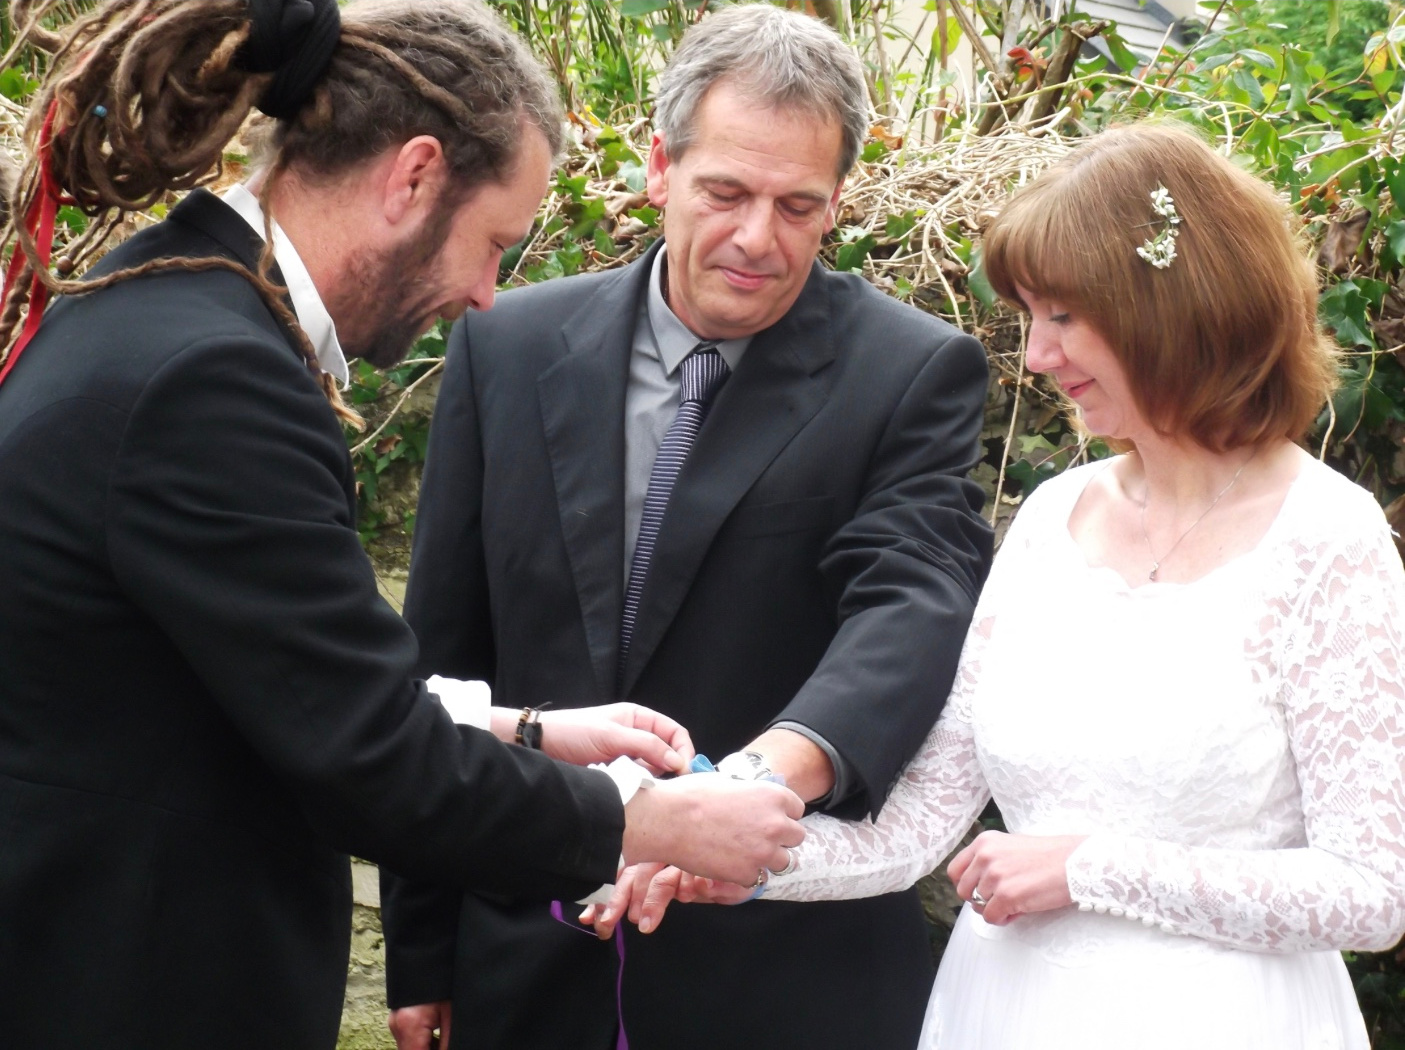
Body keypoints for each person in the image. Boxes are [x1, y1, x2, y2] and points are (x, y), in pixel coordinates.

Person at [0, 3, 806, 1049]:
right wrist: (643, 822)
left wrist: (521, 731)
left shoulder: (161, 306)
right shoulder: (215, 376)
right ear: (414, 176)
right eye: (492, 246)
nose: (483, 296)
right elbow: (368, 760)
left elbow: (265, 678)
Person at [607, 122, 1405, 1049]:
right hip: (1002, 1014)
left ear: (1175, 306)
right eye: (1030, 316)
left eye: (1062, 316)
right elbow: (917, 825)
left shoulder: (1328, 540)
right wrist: (737, 863)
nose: (1034, 355)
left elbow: (1371, 893)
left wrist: (1088, 870)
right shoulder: (1050, 520)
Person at [378, 5, 994, 1048]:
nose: (757, 238)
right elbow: (444, 650)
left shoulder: (910, 373)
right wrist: (423, 955)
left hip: (783, 978)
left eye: (799, 206)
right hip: (528, 956)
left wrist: (752, 785)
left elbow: (911, 603)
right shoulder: (506, 347)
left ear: (839, 198)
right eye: (725, 193)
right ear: (660, 167)